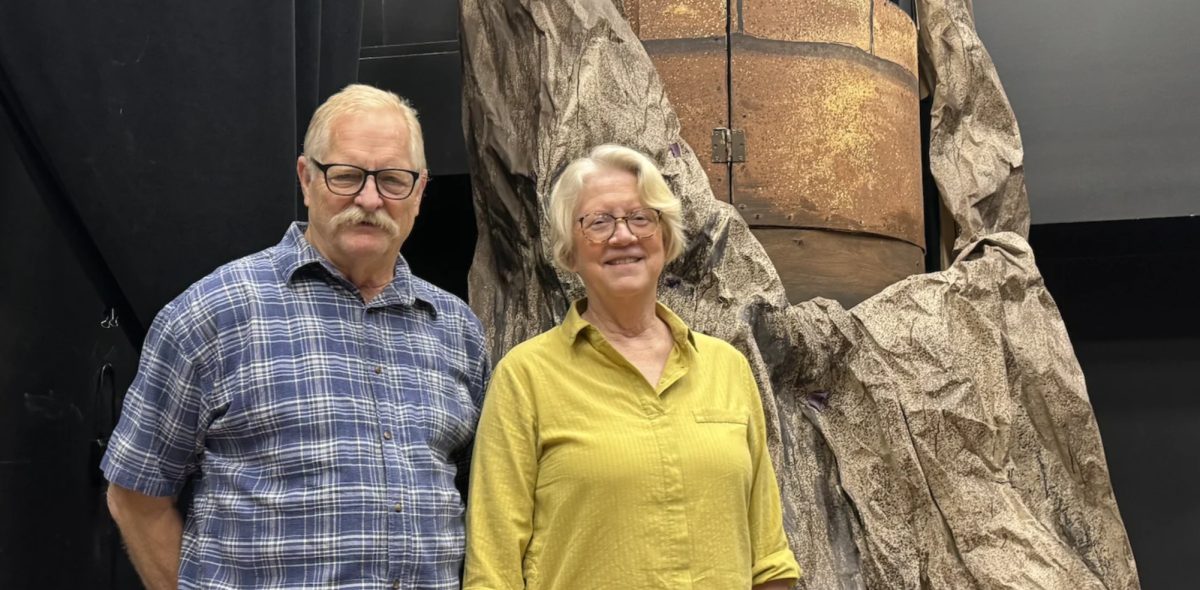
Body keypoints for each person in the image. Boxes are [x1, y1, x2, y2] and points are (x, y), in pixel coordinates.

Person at [102, 84, 490, 590]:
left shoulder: (456, 329)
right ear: (307, 179)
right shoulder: (213, 314)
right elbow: (135, 496)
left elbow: (477, 494)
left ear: (418, 192)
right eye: (347, 175)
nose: (370, 199)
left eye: (393, 180)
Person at [463, 144, 802, 590]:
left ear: (664, 237)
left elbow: (770, 561)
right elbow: (493, 568)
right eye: (599, 222)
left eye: (641, 218)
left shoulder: (728, 370)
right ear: (569, 250)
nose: (623, 236)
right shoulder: (525, 377)